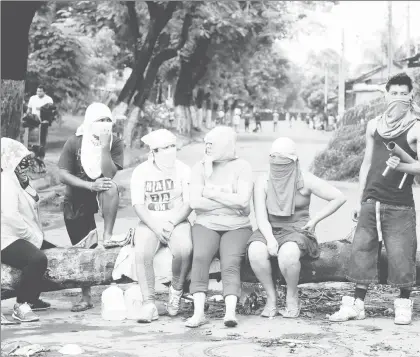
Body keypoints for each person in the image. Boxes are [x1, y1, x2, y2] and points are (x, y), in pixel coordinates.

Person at [330, 72, 420, 325]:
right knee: (362, 252)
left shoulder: (416, 126)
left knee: (402, 254)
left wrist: (402, 166)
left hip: (400, 203)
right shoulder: (374, 125)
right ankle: (357, 305)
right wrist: (360, 199)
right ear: (387, 94)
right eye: (395, 93)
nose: (400, 97)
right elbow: (367, 163)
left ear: (411, 94)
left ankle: (403, 304)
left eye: (405, 93)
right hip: (372, 199)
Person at [247, 137, 346, 318]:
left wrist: (315, 220)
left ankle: (292, 296)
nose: (278, 166)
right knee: (255, 251)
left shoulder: (305, 179)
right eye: (274, 161)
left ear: (294, 161)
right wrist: (269, 239)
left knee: (288, 255)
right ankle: (271, 297)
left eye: (283, 162)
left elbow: (339, 197)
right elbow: (260, 217)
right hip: (270, 229)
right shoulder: (263, 180)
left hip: (298, 231)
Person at [58, 102, 124, 312]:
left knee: (111, 187)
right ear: (89, 122)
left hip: (102, 189)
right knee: (83, 247)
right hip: (77, 196)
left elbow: (110, 173)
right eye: (100, 120)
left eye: (107, 120)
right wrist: (88, 185)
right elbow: (62, 174)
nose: (105, 124)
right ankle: (85, 296)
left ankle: (108, 235)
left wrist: (104, 147)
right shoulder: (74, 142)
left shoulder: (115, 142)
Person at [186, 126, 254, 328]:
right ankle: (199, 313)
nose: (207, 147)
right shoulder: (199, 167)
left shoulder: (243, 166)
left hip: (237, 227)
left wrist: (208, 192)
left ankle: (230, 313)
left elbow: (244, 202)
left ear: (225, 145)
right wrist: (230, 202)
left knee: (230, 262)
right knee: (200, 257)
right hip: (206, 223)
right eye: (205, 143)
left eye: (212, 143)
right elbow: (195, 203)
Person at [130, 129, 193, 323]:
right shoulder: (141, 171)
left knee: (184, 250)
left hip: (177, 219)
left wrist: (172, 222)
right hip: (150, 220)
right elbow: (138, 204)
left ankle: (176, 292)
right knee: (141, 253)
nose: (170, 151)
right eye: (164, 148)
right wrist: (156, 227)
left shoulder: (183, 169)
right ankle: (149, 303)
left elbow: (189, 203)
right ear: (154, 152)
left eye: (172, 147)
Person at [1, 138, 54, 323]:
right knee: (37, 258)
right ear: (10, 162)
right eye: (21, 162)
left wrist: (25, 182)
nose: (26, 166)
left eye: (27, 162)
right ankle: (21, 306)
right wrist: (31, 237)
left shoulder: (17, 180)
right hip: (6, 239)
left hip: (19, 234)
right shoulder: (5, 182)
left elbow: (33, 201)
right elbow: (10, 217)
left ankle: (33, 298)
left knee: (54, 250)